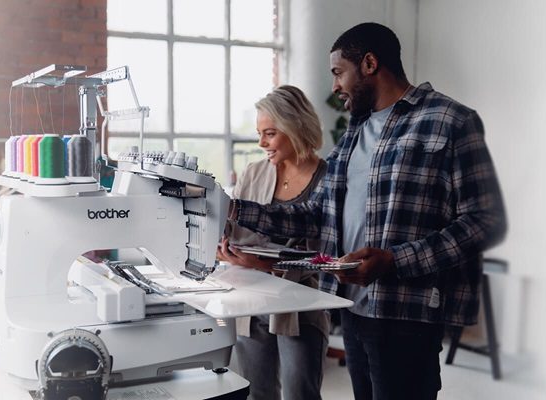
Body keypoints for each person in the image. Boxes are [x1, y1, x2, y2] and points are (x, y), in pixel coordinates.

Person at [225, 22, 507, 400]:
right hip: (352, 309)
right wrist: (232, 208)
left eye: (339, 73)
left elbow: (485, 221)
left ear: (370, 64)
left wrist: (395, 261)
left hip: (408, 314)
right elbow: (314, 215)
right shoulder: (354, 132)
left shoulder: (451, 121)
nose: (334, 86)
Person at [217, 85, 329, 400]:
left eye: (269, 133)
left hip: (301, 305)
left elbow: (326, 255)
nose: (261, 142)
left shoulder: (327, 179)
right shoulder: (254, 173)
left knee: (300, 395)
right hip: (250, 302)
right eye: (259, 133)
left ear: (295, 127)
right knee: (256, 394)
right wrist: (222, 247)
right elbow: (230, 230)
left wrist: (263, 263)